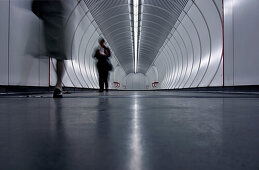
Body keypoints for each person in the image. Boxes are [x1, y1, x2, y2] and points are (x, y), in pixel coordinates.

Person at [32, 0, 68, 98]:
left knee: (59, 53)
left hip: (51, 18)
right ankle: (58, 85)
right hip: (54, 18)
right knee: (59, 54)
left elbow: (34, 7)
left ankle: (58, 85)